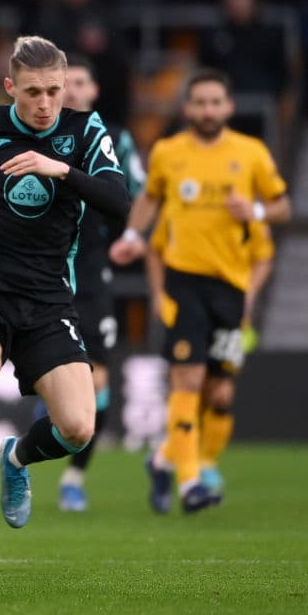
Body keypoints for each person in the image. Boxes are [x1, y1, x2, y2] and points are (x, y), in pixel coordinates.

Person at [0, 35, 131, 546]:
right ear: (11, 87)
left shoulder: (85, 132)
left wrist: (60, 169)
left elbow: (119, 201)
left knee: (79, 426)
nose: (44, 104)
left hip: (48, 298)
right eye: (33, 92)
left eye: (54, 92)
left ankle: (14, 458)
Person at [109, 68, 290, 514]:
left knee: (218, 390)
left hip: (230, 287)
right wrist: (134, 236)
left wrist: (257, 209)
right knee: (187, 379)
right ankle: (192, 481)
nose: (208, 110)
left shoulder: (251, 154)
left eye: (215, 102)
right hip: (183, 282)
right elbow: (150, 198)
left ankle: (163, 459)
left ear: (228, 107)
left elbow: (283, 206)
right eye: (200, 102)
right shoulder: (169, 153)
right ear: (187, 108)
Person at [39, 57, 146, 512]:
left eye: (81, 82)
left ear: (95, 90)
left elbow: (138, 195)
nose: (74, 90)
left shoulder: (114, 139)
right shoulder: (40, 136)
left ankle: (74, 478)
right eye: (66, 84)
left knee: (97, 381)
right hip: (40, 269)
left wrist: (136, 236)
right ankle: (33, 440)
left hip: (90, 270)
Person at [144, 209, 275, 496]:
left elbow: (264, 256)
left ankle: (165, 459)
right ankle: (195, 472)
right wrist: (157, 294)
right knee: (191, 386)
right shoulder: (182, 205)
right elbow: (155, 249)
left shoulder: (244, 210)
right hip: (188, 305)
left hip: (230, 306)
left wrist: (248, 295)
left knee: (219, 394)